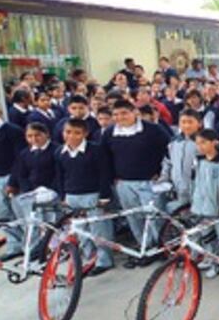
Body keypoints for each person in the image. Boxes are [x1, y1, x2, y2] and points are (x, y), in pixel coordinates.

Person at [99, 99, 171, 266]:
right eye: (115, 114)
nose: (120, 117)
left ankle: (160, 248)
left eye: (124, 113)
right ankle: (143, 246)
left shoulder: (153, 130)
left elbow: (169, 151)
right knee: (133, 217)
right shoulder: (109, 133)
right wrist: (111, 182)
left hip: (149, 182)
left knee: (154, 218)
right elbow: (105, 160)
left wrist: (162, 174)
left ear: (134, 112)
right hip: (124, 183)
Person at [54, 118, 114, 275]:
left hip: (92, 195)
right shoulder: (60, 152)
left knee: (99, 229)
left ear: (85, 133)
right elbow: (59, 176)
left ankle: (104, 261)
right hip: (72, 195)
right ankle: (90, 258)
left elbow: (104, 173)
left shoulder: (96, 150)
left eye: (77, 133)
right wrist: (62, 195)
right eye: (68, 132)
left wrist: (104, 196)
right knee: (80, 230)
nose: (71, 136)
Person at [0, 100, 29, 260]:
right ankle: (15, 245)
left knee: (21, 214)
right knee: (3, 215)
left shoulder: (12, 131)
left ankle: (32, 247)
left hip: (11, 177)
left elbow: (20, 158)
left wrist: (13, 182)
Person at [189, 129, 219, 278]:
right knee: (207, 235)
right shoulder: (197, 160)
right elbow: (194, 181)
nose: (200, 146)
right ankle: (213, 259)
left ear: (214, 143)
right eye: (198, 143)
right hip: (201, 205)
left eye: (204, 142)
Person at [158, 109, 201, 213]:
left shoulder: (204, 142)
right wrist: (164, 178)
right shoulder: (174, 142)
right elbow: (168, 162)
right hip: (179, 189)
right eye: (183, 122)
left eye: (190, 122)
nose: (186, 126)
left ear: (199, 123)